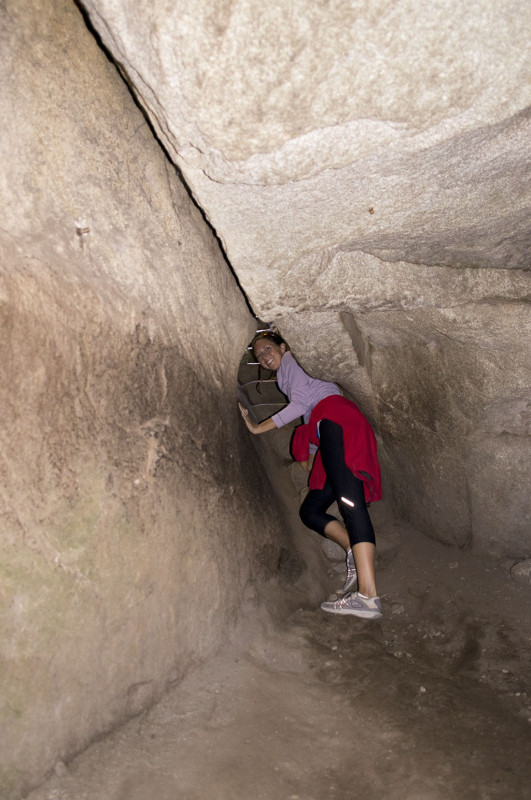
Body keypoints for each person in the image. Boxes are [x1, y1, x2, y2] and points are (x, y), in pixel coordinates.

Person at [239, 330, 383, 620]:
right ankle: (352, 551)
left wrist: (257, 427)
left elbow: (302, 405)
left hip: (337, 422)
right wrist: (310, 451)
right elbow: (309, 414)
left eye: (268, 348)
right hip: (329, 430)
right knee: (311, 510)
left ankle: (367, 596)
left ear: (282, 346)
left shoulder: (292, 361)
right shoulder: (286, 377)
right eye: (259, 356)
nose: (265, 357)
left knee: (350, 504)